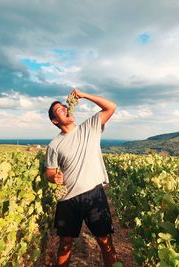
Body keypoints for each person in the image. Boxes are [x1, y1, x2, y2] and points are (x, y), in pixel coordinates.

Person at [45, 88, 123, 267]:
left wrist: (84, 95)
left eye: (64, 106)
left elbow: (111, 107)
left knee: (105, 242)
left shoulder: (90, 127)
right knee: (65, 245)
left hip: (94, 195)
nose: (65, 108)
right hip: (67, 200)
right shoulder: (54, 145)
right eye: (59, 110)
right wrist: (53, 178)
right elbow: (49, 172)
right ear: (55, 121)